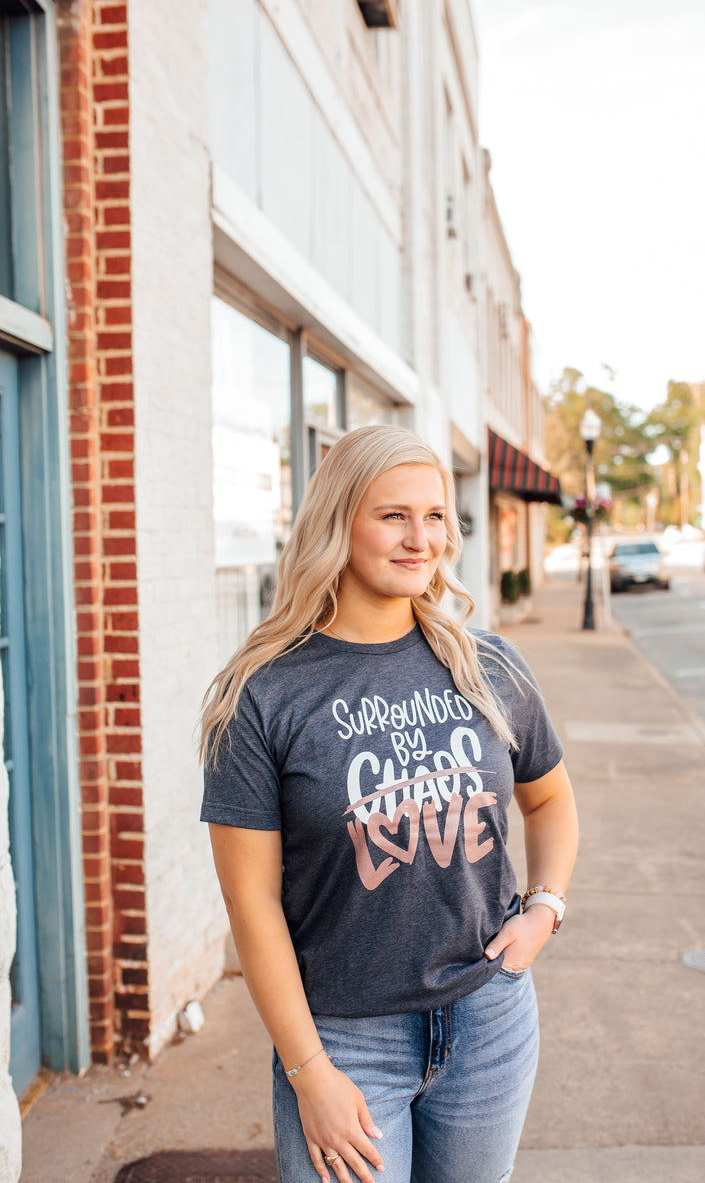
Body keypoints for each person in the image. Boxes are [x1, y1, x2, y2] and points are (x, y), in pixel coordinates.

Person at [200, 425, 578, 1183]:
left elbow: (551, 801)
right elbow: (252, 907)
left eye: (436, 515)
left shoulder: (488, 665)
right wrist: (310, 1071)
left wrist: (543, 910)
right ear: (338, 524)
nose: (422, 539)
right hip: (345, 1038)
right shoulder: (264, 696)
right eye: (393, 515)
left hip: (489, 1018)